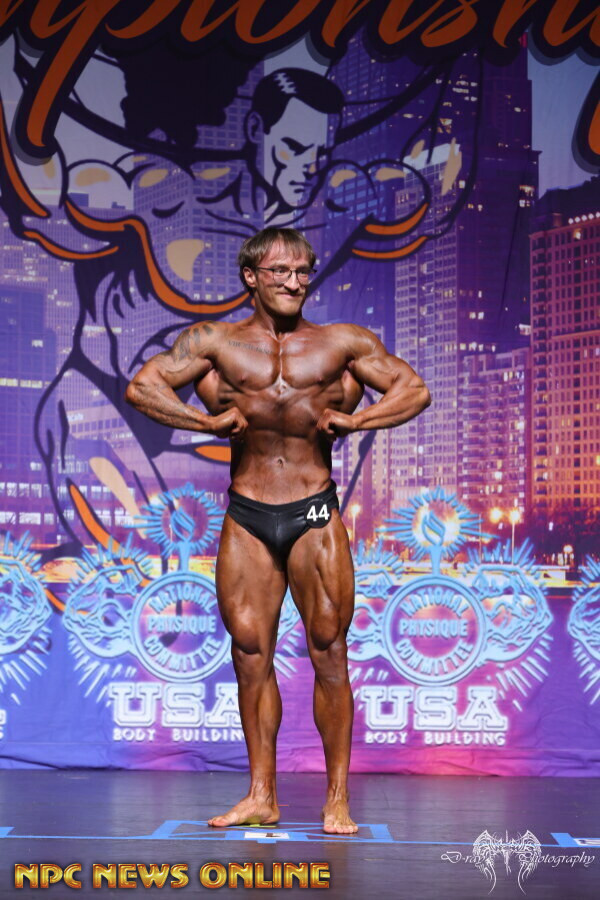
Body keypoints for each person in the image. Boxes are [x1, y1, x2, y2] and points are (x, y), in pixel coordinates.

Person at [125, 226, 431, 834]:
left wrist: (359, 419)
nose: (294, 282)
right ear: (251, 277)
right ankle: (261, 794)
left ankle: (337, 799)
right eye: (280, 272)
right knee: (249, 654)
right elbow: (142, 386)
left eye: (302, 271)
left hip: (314, 510)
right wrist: (203, 423)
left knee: (329, 651)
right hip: (248, 514)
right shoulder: (215, 342)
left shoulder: (342, 342)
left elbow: (414, 389)